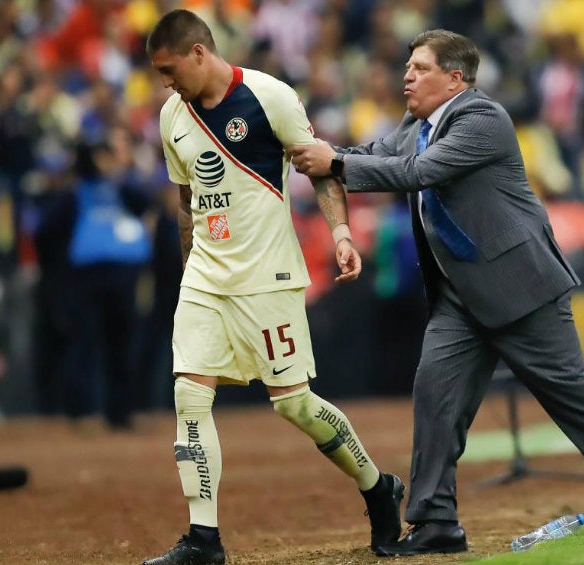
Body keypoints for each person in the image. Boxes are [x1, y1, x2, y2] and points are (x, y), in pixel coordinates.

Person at [289, 29, 584, 556]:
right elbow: (369, 156)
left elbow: (418, 172)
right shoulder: (416, 126)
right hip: (460, 294)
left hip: (520, 285)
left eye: (420, 68)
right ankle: (436, 522)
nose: (406, 77)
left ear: (455, 78)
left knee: (571, 392)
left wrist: (337, 164)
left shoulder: (482, 117)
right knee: (435, 395)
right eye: (407, 67)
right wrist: (317, 152)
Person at [143, 9, 403, 565]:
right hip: (206, 278)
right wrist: (190, 269)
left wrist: (340, 234)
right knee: (190, 396)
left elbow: (320, 168)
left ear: (198, 53)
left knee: (294, 406)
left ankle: (378, 487)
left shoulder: (270, 96)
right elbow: (186, 201)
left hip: (269, 278)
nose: (165, 83)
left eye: (169, 70)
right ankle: (204, 539)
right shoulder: (171, 116)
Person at [35, 140, 150, 430]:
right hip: (86, 279)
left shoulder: (117, 189)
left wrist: (121, 174)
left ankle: (119, 412)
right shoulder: (75, 194)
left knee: (119, 344)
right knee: (84, 344)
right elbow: (46, 233)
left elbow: (144, 203)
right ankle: (82, 410)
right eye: (104, 156)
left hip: (118, 276)